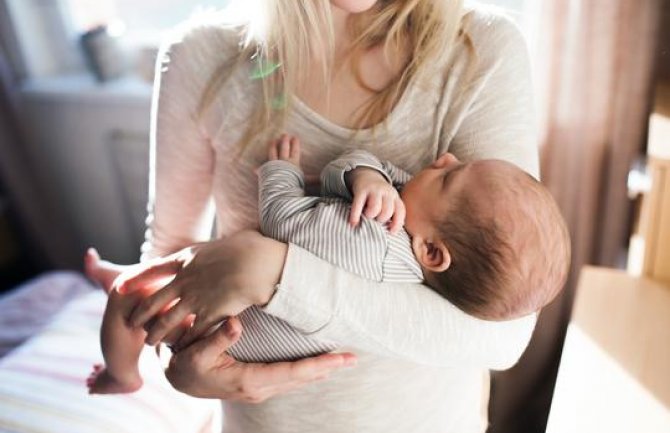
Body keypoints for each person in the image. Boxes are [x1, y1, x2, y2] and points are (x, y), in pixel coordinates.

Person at [88, 0, 547, 431]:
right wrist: (183, 372)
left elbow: (504, 337)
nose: (443, 164)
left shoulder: (481, 51)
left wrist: (270, 272)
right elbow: (167, 259)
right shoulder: (202, 56)